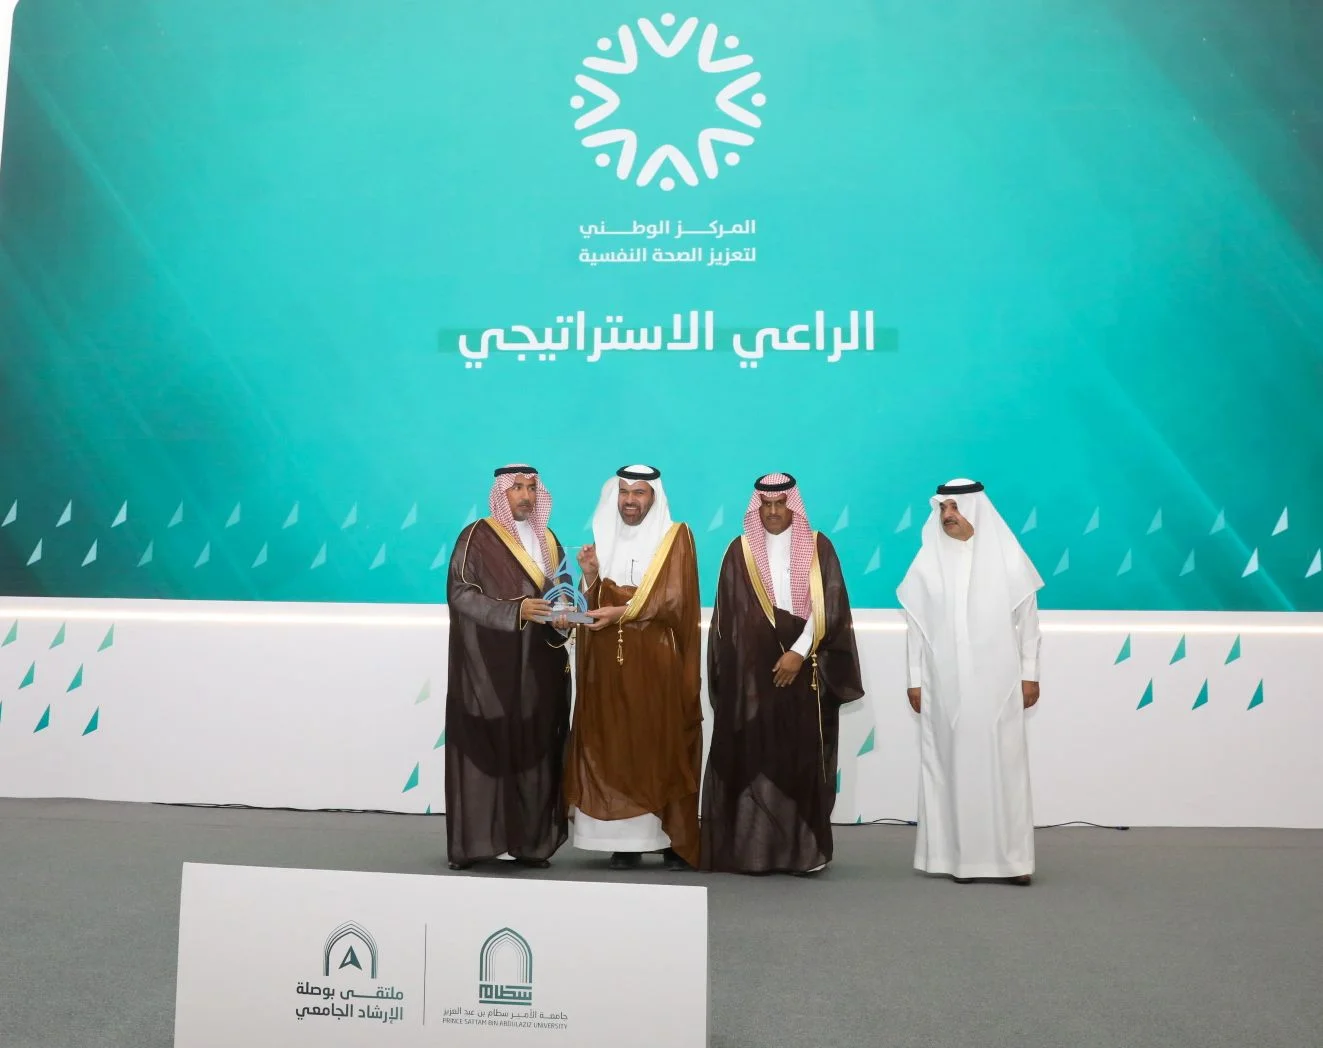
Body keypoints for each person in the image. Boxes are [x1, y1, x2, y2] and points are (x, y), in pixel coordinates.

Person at [701, 473, 864, 876]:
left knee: (797, 761)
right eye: (766, 505)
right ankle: (749, 853)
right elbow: (727, 618)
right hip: (751, 676)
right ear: (757, 507)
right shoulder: (739, 550)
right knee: (752, 757)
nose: (773, 512)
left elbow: (830, 606)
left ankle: (801, 853)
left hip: (802, 668)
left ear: (794, 506)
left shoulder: (818, 546)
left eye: (780, 504)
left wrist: (798, 652)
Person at [896, 478, 1044, 886]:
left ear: (975, 510)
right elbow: (916, 630)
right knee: (951, 766)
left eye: (955, 508)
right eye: (943, 508)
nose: (948, 516)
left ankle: (1013, 862)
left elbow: (1028, 623)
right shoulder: (927, 563)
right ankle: (958, 859)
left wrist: (1029, 674)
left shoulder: (1008, 559)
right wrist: (914, 680)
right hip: (944, 684)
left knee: (1004, 769)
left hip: (999, 683)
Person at [563, 464, 702, 871]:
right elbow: (593, 606)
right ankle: (624, 842)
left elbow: (675, 599)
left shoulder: (675, 537)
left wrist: (623, 611)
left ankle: (669, 838)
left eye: (639, 492)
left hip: (656, 660)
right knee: (614, 743)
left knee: (659, 741)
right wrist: (590, 576)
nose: (630, 500)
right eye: (624, 492)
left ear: (654, 497)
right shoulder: (604, 537)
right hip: (608, 664)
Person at [443, 465, 572, 871]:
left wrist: (566, 614)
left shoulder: (549, 540)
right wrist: (516, 611)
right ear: (501, 493)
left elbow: (563, 592)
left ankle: (530, 844)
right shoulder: (476, 537)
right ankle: (477, 844)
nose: (525, 495)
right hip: (489, 669)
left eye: (531, 488)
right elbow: (461, 595)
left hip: (538, 670)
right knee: (486, 752)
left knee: (535, 751)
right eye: (516, 488)